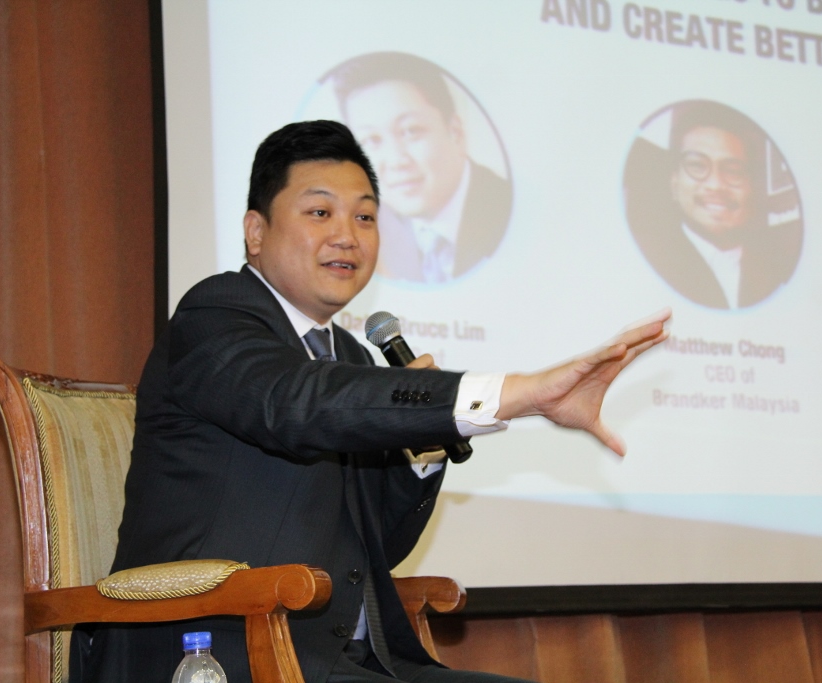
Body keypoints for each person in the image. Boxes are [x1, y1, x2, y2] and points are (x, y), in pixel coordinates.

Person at [71, 120, 669, 683]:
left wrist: (421, 455)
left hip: (349, 660)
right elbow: (296, 404)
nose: (346, 235)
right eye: (320, 212)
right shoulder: (214, 315)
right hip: (220, 652)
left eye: (364, 216)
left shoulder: (353, 358)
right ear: (256, 231)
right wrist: (520, 392)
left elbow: (373, 549)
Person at [332, 53, 512, 284]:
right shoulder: (364, 230)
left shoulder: (510, 210)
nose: (396, 161)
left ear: (455, 133)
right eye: (372, 141)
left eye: (411, 131)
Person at [626, 101, 802, 309]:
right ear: (674, 183)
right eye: (698, 166)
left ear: (751, 187)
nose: (716, 185)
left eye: (733, 171)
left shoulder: (777, 272)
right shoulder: (645, 261)